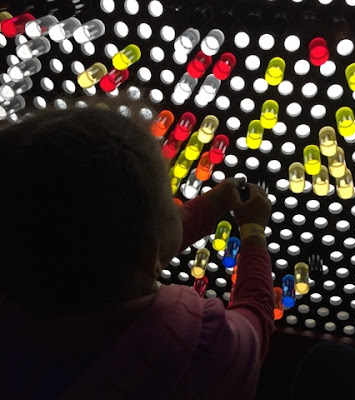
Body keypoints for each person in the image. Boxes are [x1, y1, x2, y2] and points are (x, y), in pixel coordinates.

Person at [0, 107, 274, 400]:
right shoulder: (193, 342)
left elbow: (120, 237)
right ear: (149, 255)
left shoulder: (14, 300)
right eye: (168, 197)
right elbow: (255, 319)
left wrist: (209, 207)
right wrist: (253, 231)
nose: (177, 208)